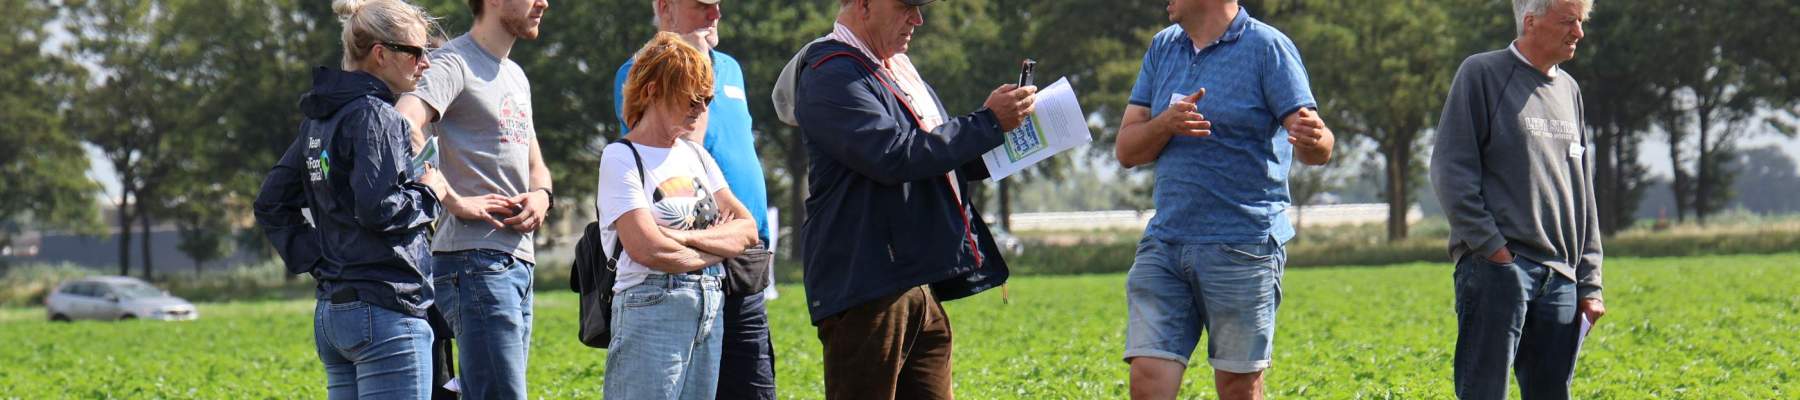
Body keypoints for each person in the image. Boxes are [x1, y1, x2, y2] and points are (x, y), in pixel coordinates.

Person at [779, 0, 1035, 398]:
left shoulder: (893, 70)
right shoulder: (831, 73)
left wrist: (1007, 138)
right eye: (906, 7)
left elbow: (937, 160)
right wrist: (986, 122)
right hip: (868, 283)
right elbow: (894, 155)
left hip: (912, 279)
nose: (918, 19)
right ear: (864, 4)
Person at [1112, 1, 1334, 399]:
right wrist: (1167, 123)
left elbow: (1316, 145)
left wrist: (1316, 139)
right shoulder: (1163, 47)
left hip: (1242, 246)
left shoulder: (1268, 48)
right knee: (1147, 375)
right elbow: (1128, 150)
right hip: (1166, 242)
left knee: (1237, 385)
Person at [253, 0, 450, 397]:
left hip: (334, 313)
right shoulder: (378, 115)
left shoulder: (319, 117)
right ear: (381, 54)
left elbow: (271, 202)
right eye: (416, 52)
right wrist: (430, 192)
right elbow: (379, 208)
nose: (425, 63)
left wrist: (323, 260)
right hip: (386, 311)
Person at [1430, 0, 1605, 398]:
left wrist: (1589, 282)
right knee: (1484, 392)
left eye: (1581, 22)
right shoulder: (1482, 73)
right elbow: (1450, 170)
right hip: (1499, 270)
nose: (1578, 32)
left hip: (1560, 276)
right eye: (1568, 21)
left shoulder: (1569, 90)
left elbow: (1582, 192)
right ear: (1530, 21)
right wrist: (1494, 251)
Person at [611, 1, 777, 397]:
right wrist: (691, 65)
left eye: (718, 6)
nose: (715, 15)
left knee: (753, 387)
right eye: (703, 6)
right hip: (686, 272)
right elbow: (676, 156)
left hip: (744, 258)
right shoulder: (641, 71)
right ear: (665, 7)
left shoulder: (731, 68)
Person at [394, 0, 550, 397]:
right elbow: (403, 122)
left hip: (517, 260)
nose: (543, 2)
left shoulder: (516, 75)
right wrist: (451, 198)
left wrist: (542, 195)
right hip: (474, 260)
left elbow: (536, 163)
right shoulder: (453, 63)